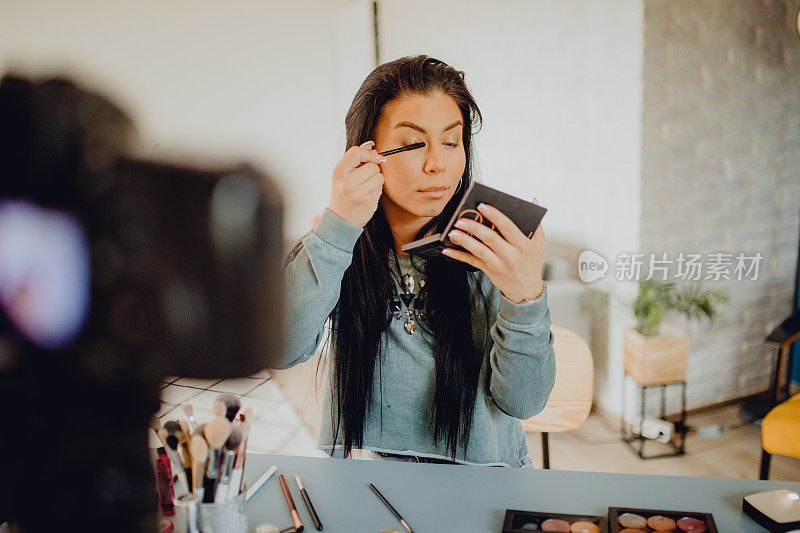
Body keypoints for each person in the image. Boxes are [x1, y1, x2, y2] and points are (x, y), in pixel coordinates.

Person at [279, 55, 555, 468]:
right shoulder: (336, 244)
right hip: (364, 485)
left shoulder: (493, 247)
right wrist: (337, 228)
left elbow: (525, 402)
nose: (437, 165)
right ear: (367, 152)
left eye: (451, 141)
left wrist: (525, 295)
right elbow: (282, 349)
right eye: (412, 143)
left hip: (482, 486)